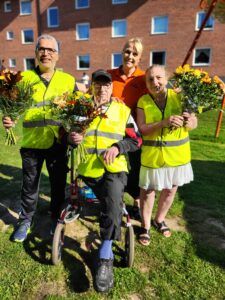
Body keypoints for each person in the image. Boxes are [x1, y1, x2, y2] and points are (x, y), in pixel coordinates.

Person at [2, 34, 86, 242]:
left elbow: (82, 109)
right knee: (29, 186)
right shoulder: (25, 79)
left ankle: (56, 219)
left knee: (58, 186)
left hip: (58, 144)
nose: (46, 53)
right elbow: (13, 106)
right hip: (31, 144)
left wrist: (79, 129)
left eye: (50, 50)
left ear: (57, 55)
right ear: (36, 54)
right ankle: (25, 220)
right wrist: (9, 117)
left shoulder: (67, 80)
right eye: (42, 49)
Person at [68, 69, 141, 293]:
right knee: (104, 202)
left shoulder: (122, 110)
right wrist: (72, 137)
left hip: (113, 169)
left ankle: (105, 256)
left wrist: (119, 147)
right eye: (98, 84)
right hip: (87, 170)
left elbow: (136, 139)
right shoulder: (80, 109)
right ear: (91, 87)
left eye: (106, 85)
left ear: (111, 88)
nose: (102, 89)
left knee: (111, 202)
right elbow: (68, 137)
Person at [136, 65, 197, 246]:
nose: (155, 82)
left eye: (159, 77)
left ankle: (159, 219)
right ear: (146, 84)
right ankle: (145, 225)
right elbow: (143, 129)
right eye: (151, 79)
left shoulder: (180, 97)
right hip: (153, 156)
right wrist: (162, 122)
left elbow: (194, 123)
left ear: (167, 78)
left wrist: (188, 120)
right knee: (147, 192)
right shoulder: (143, 101)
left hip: (177, 156)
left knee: (170, 190)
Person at [108, 38, 148, 220]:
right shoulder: (109, 75)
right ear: (121, 53)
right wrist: (109, 101)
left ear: (139, 58)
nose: (130, 56)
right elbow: (94, 95)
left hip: (135, 133)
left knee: (136, 168)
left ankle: (137, 204)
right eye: (127, 52)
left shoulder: (144, 78)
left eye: (134, 54)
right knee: (114, 167)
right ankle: (115, 200)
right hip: (113, 131)